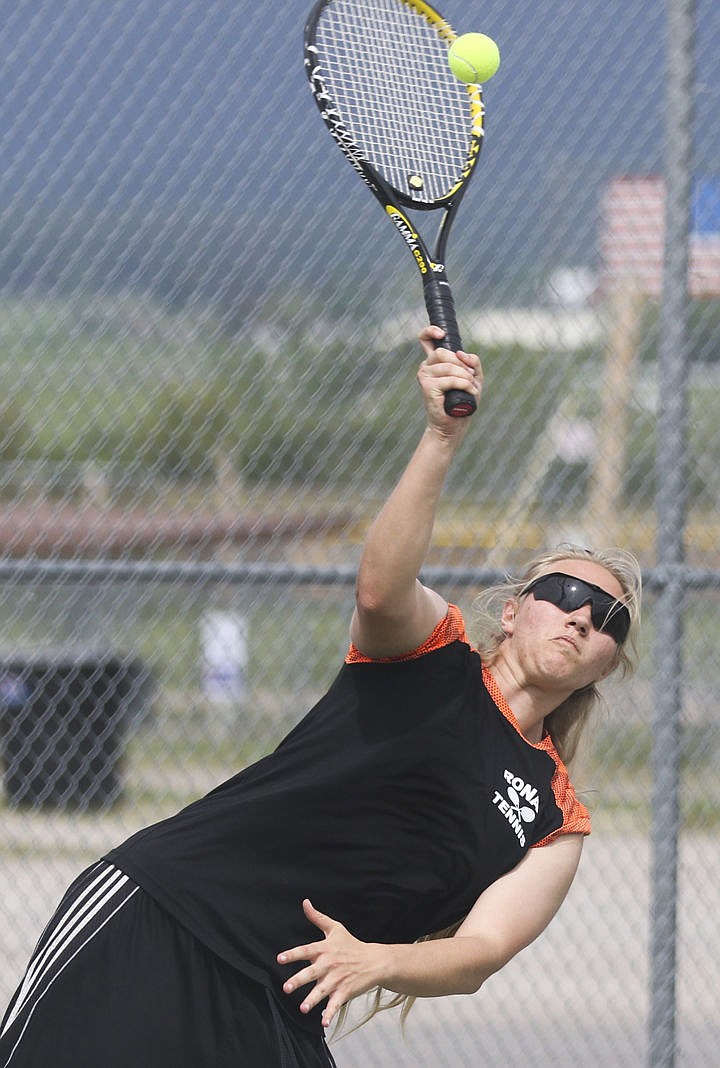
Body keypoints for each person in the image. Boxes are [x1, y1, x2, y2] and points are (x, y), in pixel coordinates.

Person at [0, 327, 642, 1068]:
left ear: (606, 665)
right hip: (168, 915)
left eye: (609, 618)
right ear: (512, 610)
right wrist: (441, 436)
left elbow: (482, 950)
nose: (582, 615)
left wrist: (378, 961)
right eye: (563, 592)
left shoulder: (557, 819)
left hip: (282, 1004)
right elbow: (380, 585)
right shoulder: (433, 656)